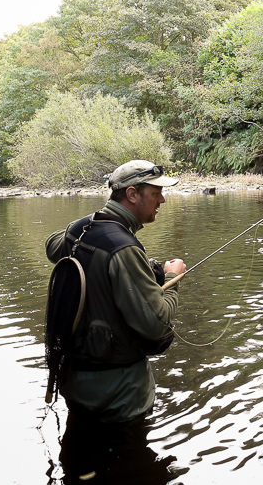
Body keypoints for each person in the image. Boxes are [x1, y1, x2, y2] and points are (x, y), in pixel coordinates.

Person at [45, 159, 186, 424]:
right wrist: (172, 278)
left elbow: (53, 245)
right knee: (134, 459)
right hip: (119, 394)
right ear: (132, 194)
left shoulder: (80, 231)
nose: (162, 200)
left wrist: (93, 220)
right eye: (156, 194)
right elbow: (156, 323)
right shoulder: (125, 248)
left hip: (74, 384)